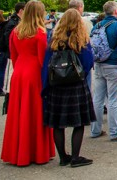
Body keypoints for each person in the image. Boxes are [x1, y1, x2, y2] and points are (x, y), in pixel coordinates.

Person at [1, 0, 55, 166]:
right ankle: (36, 151)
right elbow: (42, 61)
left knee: (19, 113)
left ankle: (17, 151)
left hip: (19, 74)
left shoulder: (16, 32)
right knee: (35, 113)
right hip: (33, 75)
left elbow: (14, 57)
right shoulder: (39, 34)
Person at [42, 9, 97, 167]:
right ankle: (75, 157)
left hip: (57, 86)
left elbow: (46, 64)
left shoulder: (54, 40)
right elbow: (88, 63)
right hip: (75, 85)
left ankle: (62, 156)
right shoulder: (80, 40)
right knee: (78, 123)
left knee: (58, 124)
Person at [90, 1, 117, 141]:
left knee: (98, 98)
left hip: (99, 64)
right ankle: (115, 130)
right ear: (115, 12)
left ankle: (95, 129)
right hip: (114, 64)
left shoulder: (97, 25)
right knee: (114, 100)